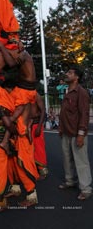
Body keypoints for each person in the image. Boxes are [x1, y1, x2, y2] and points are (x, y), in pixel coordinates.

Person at [58, 66, 92, 200]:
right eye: (67, 72)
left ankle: (86, 189)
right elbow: (64, 113)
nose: (67, 74)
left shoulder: (81, 93)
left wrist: (81, 134)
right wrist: (61, 128)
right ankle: (70, 181)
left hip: (77, 133)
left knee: (81, 161)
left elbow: (84, 114)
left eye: (70, 73)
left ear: (76, 77)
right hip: (66, 132)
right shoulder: (68, 92)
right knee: (67, 160)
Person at [30, 93, 48, 179]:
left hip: (36, 125)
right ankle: (33, 170)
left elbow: (43, 111)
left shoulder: (36, 95)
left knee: (39, 148)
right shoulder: (22, 94)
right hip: (27, 126)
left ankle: (42, 170)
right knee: (29, 149)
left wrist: (39, 126)